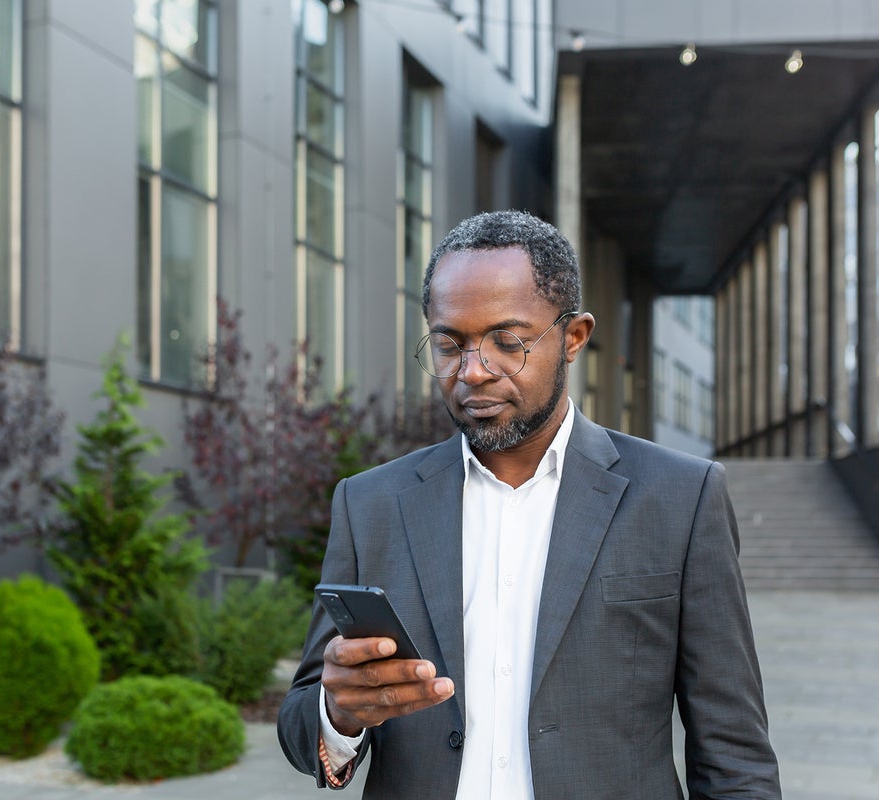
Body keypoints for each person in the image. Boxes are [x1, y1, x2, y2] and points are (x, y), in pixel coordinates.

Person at [277, 210, 781, 799]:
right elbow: (301, 722)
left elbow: (734, 755)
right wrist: (340, 716)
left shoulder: (680, 498)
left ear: (573, 337)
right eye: (449, 345)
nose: (473, 372)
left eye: (508, 343)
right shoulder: (370, 504)